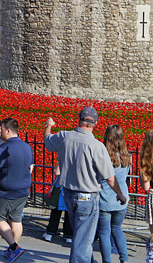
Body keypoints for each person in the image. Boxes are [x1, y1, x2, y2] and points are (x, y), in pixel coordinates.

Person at [44, 107, 126, 263]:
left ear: (79, 118)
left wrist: (48, 125)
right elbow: (109, 177)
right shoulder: (96, 146)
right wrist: (120, 195)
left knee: (82, 236)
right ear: (94, 123)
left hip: (68, 194)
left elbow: (48, 141)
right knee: (82, 242)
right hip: (87, 197)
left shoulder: (64, 136)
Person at [0, 117, 33, 262]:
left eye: (1, 130)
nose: (0, 133)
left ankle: (14, 247)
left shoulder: (4, 147)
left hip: (7, 191)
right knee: (16, 219)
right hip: (23, 190)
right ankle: (12, 248)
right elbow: (30, 167)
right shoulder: (27, 146)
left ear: (7, 130)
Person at [97, 124, 130, 263]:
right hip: (122, 198)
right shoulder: (127, 157)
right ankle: (124, 259)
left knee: (104, 233)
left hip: (105, 198)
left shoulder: (103, 155)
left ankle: (107, 261)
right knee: (117, 229)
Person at [43, 164, 73, 243]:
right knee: (69, 213)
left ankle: (49, 233)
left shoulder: (64, 156)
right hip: (72, 188)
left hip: (61, 189)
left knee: (55, 212)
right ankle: (68, 236)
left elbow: (56, 172)